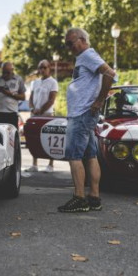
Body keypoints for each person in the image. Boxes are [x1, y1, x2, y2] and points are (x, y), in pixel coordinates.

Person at [57, 28, 117, 213]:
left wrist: (99, 101)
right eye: (67, 44)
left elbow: (110, 74)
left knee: (74, 156)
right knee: (90, 155)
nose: (69, 47)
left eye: (71, 43)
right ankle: (94, 197)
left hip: (81, 114)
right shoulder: (84, 57)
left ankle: (79, 198)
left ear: (82, 39)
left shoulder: (88, 55)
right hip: (84, 114)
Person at [27, 59, 58, 173]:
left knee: (49, 138)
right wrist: (32, 108)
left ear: (49, 68)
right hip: (34, 114)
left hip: (47, 114)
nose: (43, 69)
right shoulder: (34, 82)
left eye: (45, 67)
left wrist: (40, 111)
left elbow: (51, 100)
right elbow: (30, 98)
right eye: (40, 67)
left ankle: (50, 165)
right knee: (34, 138)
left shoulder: (53, 82)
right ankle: (34, 164)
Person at [0, 61, 25, 128]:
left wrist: (10, 94)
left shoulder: (18, 79)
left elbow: (23, 97)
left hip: (11, 114)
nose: (5, 75)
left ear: (12, 70)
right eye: (3, 72)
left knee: (11, 136)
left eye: (7, 72)